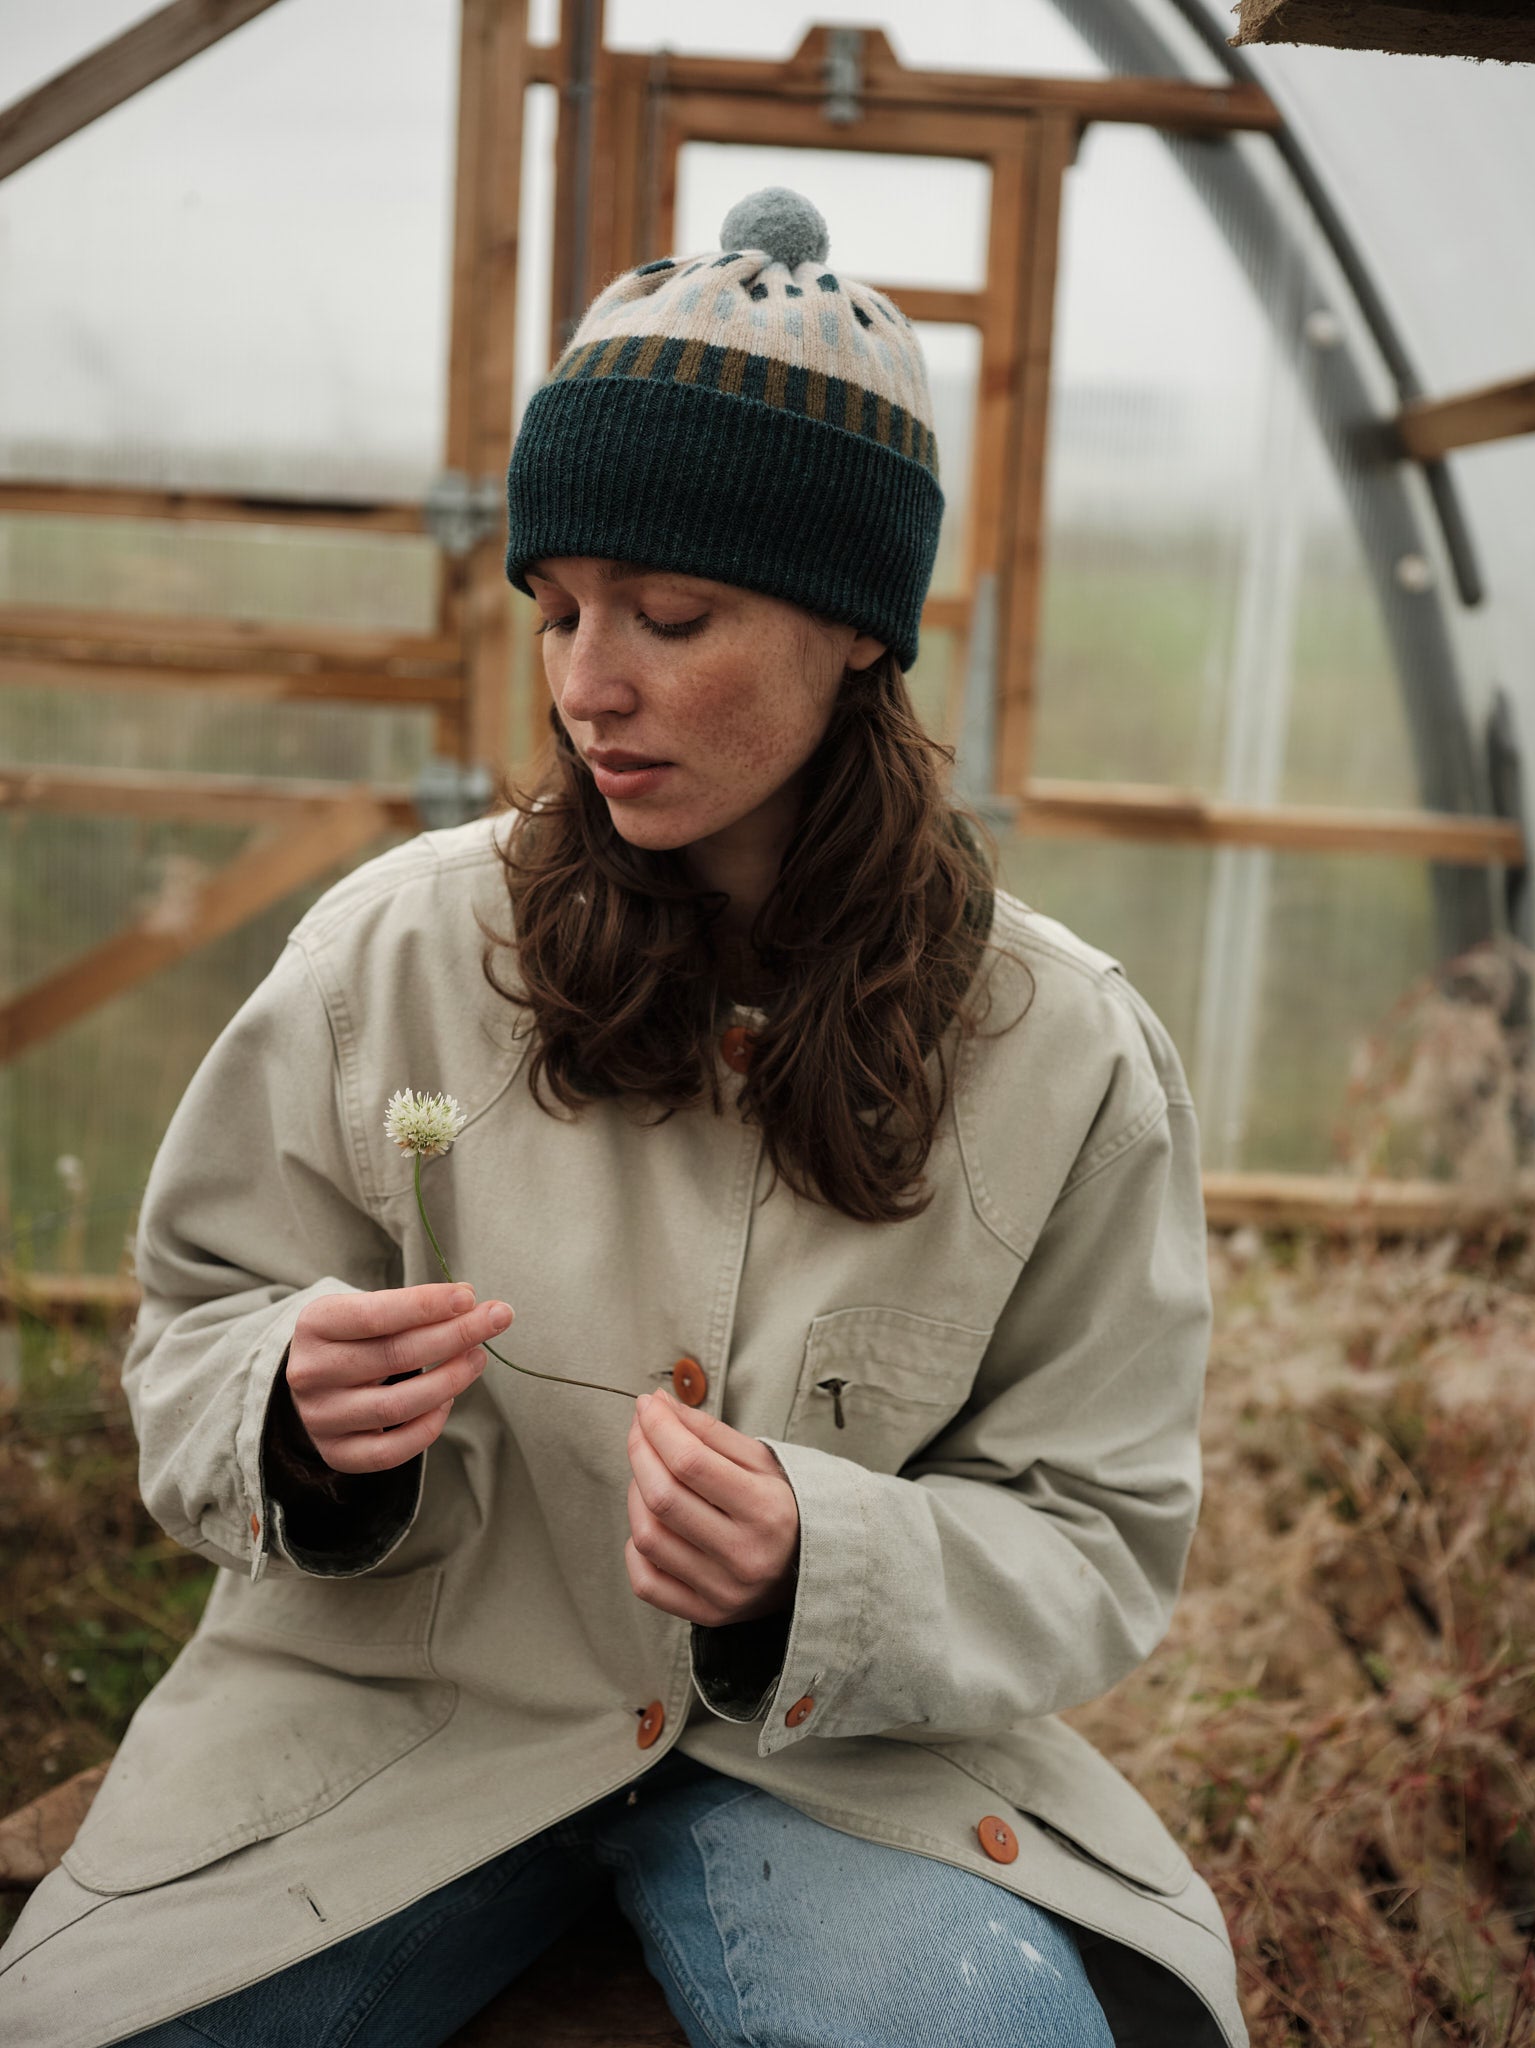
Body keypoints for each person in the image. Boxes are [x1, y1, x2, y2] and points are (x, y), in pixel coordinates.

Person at [0, 189, 1245, 2048]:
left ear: (855, 634)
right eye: (563, 609)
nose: (590, 685)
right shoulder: (396, 950)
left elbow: (1093, 1522)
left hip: (843, 1765)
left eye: (672, 615)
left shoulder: (1061, 1051)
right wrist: (294, 1412)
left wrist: (825, 1567)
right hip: (386, 1723)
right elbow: (198, 1321)